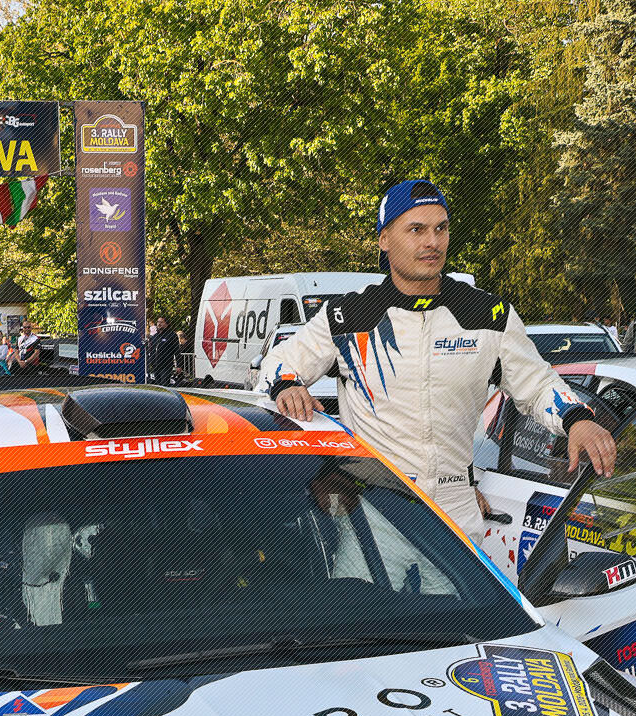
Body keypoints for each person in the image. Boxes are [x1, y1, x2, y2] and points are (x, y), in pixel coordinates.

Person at [263, 178, 614, 537]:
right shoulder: (349, 316)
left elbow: (536, 385)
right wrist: (286, 385)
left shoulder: (488, 315)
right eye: (416, 229)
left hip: (456, 513)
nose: (432, 242)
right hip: (375, 514)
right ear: (385, 239)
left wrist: (576, 420)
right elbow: (278, 363)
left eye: (441, 229)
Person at [146, 314, 178, 384]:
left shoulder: (172, 335)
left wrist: (179, 365)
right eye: (158, 322)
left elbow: (177, 350)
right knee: (158, 385)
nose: (159, 324)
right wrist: (151, 361)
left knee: (164, 383)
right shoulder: (154, 336)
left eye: (161, 322)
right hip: (155, 365)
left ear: (167, 324)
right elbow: (151, 349)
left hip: (166, 365)